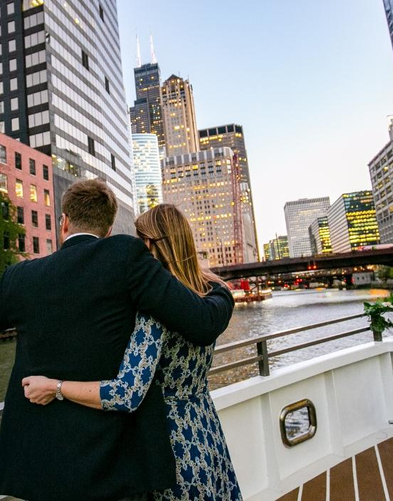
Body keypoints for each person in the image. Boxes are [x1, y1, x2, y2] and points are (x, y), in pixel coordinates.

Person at [0, 180, 234, 501]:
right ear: (109, 229)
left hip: (44, 467)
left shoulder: (20, 276)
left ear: (63, 221)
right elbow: (202, 321)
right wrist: (220, 289)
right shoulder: (127, 257)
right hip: (116, 464)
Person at [21, 204, 242, 500]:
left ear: (149, 245)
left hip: (170, 446)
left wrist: (55, 387)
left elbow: (127, 392)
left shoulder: (155, 312)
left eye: (140, 242)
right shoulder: (206, 294)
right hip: (206, 430)